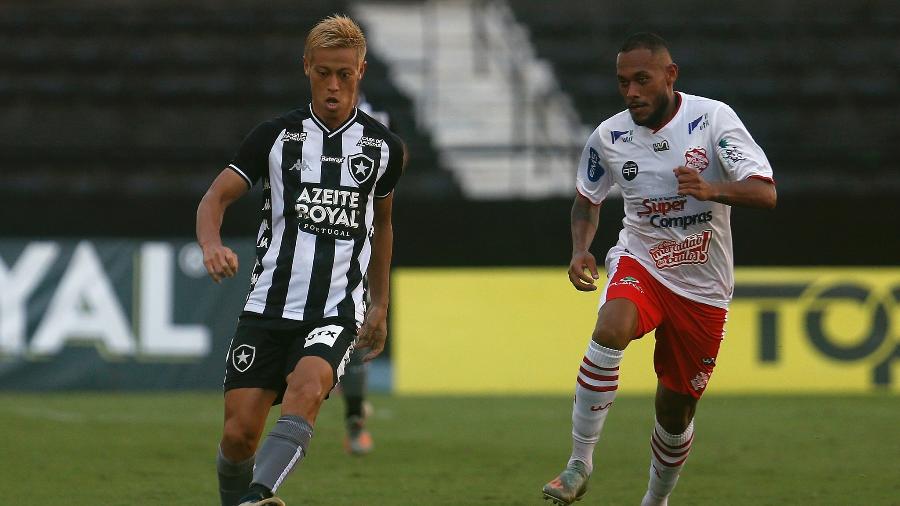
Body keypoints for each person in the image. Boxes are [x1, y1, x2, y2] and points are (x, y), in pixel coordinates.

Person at [541, 32, 776, 506]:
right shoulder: (609, 137)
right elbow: (586, 201)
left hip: (704, 287)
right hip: (642, 260)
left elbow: (765, 191)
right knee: (611, 326)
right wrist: (580, 249)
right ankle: (578, 462)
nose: (631, 92)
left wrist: (713, 190)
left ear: (670, 76)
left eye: (642, 80)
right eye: (623, 82)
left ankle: (656, 499)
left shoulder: (712, 119)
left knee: (676, 407)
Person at [196, 15, 405, 506]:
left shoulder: (384, 149)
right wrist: (211, 244)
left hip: (335, 308)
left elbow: (384, 226)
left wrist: (379, 305)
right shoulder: (274, 138)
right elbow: (213, 199)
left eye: (345, 74)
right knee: (237, 436)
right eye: (324, 73)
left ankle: (258, 497)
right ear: (306, 67)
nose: (334, 86)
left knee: (307, 389)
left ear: (362, 71)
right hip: (268, 304)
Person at [338, 92, 393, 457]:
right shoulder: (306, 128)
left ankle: (356, 423)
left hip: (358, 245)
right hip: (316, 246)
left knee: (355, 335)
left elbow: (394, 168)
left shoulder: (376, 124)